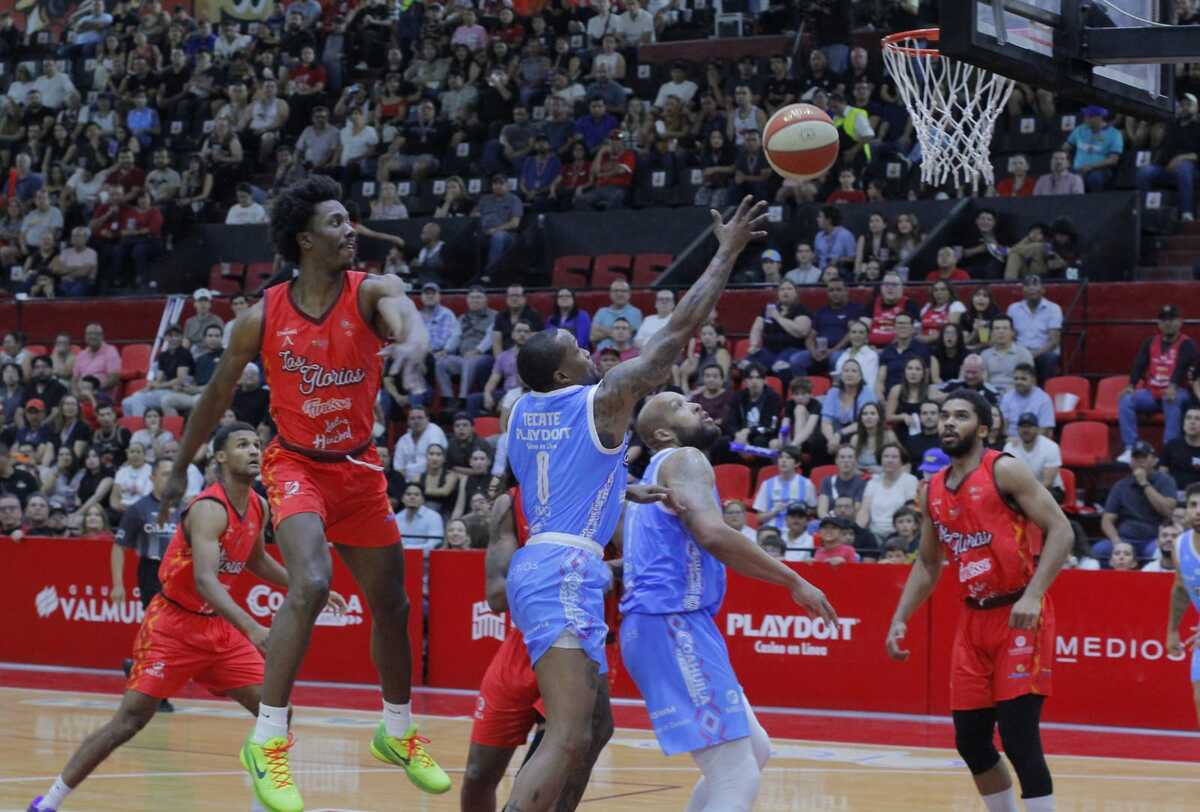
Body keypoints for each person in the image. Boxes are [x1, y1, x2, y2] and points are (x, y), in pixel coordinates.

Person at [159, 175, 447, 811]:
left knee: (394, 606)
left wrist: (417, 337)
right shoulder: (260, 319)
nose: (352, 232)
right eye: (339, 223)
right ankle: (268, 740)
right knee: (311, 582)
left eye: (351, 221)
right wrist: (181, 464)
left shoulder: (369, 291)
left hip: (359, 467)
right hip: (295, 465)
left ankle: (396, 731)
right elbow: (214, 398)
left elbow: (401, 306)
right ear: (305, 240)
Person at [500, 197, 768, 811]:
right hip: (563, 568)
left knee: (595, 730)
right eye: (574, 344)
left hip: (554, 563)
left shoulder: (521, 414)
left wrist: (624, 488)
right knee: (567, 734)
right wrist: (725, 251)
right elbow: (676, 334)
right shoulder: (599, 399)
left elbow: (558, 482)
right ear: (564, 376)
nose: (585, 343)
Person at [27, 424, 347, 812]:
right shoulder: (209, 508)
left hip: (217, 630)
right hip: (173, 626)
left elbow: (256, 559)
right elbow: (206, 580)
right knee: (129, 722)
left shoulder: (259, 505)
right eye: (242, 445)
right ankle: (49, 802)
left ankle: (263, 805)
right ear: (220, 457)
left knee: (276, 708)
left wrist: (307, 585)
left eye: (257, 445)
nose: (254, 451)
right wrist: (252, 627)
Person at [621, 390, 834, 812]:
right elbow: (714, 535)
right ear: (662, 433)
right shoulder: (684, 458)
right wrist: (794, 580)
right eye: (682, 406)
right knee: (737, 774)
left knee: (755, 752)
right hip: (671, 623)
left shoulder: (656, 475)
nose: (698, 405)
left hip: (670, 625)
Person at [886, 389, 1072, 812]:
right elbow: (929, 563)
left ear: (983, 428)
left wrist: (1034, 594)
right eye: (945, 415)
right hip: (973, 622)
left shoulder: (1005, 471)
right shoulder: (931, 488)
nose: (948, 422)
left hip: (1019, 615)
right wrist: (901, 617)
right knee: (970, 740)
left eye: (961, 416)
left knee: (1019, 737)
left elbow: (1062, 531)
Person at [462, 486, 611, 811]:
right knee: (477, 772)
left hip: (578, 644)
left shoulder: (604, 493)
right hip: (524, 643)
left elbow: (643, 563)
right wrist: (567, 571)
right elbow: (497, 596)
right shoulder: (512, 503)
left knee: (557, 761)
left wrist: (594, 570)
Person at [1117, 305, 1195, 463]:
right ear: (1158, 324)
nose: (1168, 323)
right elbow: (1139, 364)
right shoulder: (1150, 342)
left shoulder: (1187, 344)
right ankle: (1131, 447)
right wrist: (1131, 385)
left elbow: (1181, 367)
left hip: (1179, 391)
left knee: (1170, 399)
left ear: (1180, 322)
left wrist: (1172, 386)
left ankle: (1169, 450)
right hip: (1151, 393)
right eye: (1164, 320)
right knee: (1125, 399)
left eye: (1172, 320)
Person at [1097, 440, 1178, 565]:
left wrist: (1144, 484)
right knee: (1099, 550)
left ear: (1155, 461)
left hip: (1154, 539)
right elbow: (1107, 520)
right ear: (1130, 463)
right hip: (1125, 539)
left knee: (1156, 553)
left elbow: (1167, 511)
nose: (1139, 462)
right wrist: (1117, 542)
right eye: (1135, 458)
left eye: (1144, 458)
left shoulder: (1166, 481)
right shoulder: (1121, 485)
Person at [1166, 484, 1200, 727]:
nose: (1198, 511)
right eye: (1193, 505)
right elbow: (1180, 589)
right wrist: (1172, 630)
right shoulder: (1180, 545)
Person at [1006, 276, 1063, 383]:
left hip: (1043, 352)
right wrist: (1021, 353)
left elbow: (1054, 342)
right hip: (1020, 352)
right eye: (1028, 285)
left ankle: (1045, 393)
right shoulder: (1013, 308)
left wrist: (1032, 355)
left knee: (1050, 358)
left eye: (1035, 284)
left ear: (1043, 289)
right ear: (1023, 290)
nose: (1032, 288)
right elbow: (1011, 336)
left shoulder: (1053, 308)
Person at [857, 443, 918, 541]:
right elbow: (864, 511)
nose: (889, 460)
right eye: (886, 456)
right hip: (874, 534)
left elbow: (910, 511)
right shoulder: (873, 482)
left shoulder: (910, 481)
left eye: (894, 457)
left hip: (900, 535)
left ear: (902, 461)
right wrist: (858, 531)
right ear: (880, 460)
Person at [752, 446, 815, 531]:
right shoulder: (767, 484)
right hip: (772, 532)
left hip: (797, 531)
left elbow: (813, 510)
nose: (783, 461)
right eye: (781, 457)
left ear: (797, 463)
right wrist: (775, 511)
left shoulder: (806, 484)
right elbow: (759, 517)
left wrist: (798, 510)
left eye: (788, 458)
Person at [1004, 413, 1064, 498]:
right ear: (1017, 429)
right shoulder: (1010, 447)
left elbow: (1048, 482)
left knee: (1035, 501)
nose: (1026, 430)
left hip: (1051, 490)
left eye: (1029, 426)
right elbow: (1007, 476)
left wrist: (1027, 496)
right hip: (1022, 491)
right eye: (1022, 427)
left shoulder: (1051, 447)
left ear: (1037, 429)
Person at [980, 316, 1033, 397]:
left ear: (1012, 332)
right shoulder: (984, 355)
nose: (1001, 332)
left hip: (1017, 394)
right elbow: (983, 381)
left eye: (1005, 328)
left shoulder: (1023, 354)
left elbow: (1028, 382)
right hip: (990, 396)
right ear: (991, 332)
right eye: (997, 328)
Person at [999, 364, 1055, 439]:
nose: (1019, 382)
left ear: (1033, 380)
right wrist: (1008, 440)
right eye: (1016, 379)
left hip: (1035, 442)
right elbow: (1003, 425)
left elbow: (1045, 430)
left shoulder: (1044, 399)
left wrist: (1024, 443)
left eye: (1023, 379)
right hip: (1011, 441)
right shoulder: (1007, 397)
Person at [1161, 406, 1200, 492]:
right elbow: (1162, 474)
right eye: (1188, 418)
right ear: (1183, 423)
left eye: (1197, 419)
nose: (1192, 422)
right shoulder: (1171, 445)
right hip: (1173, 494)